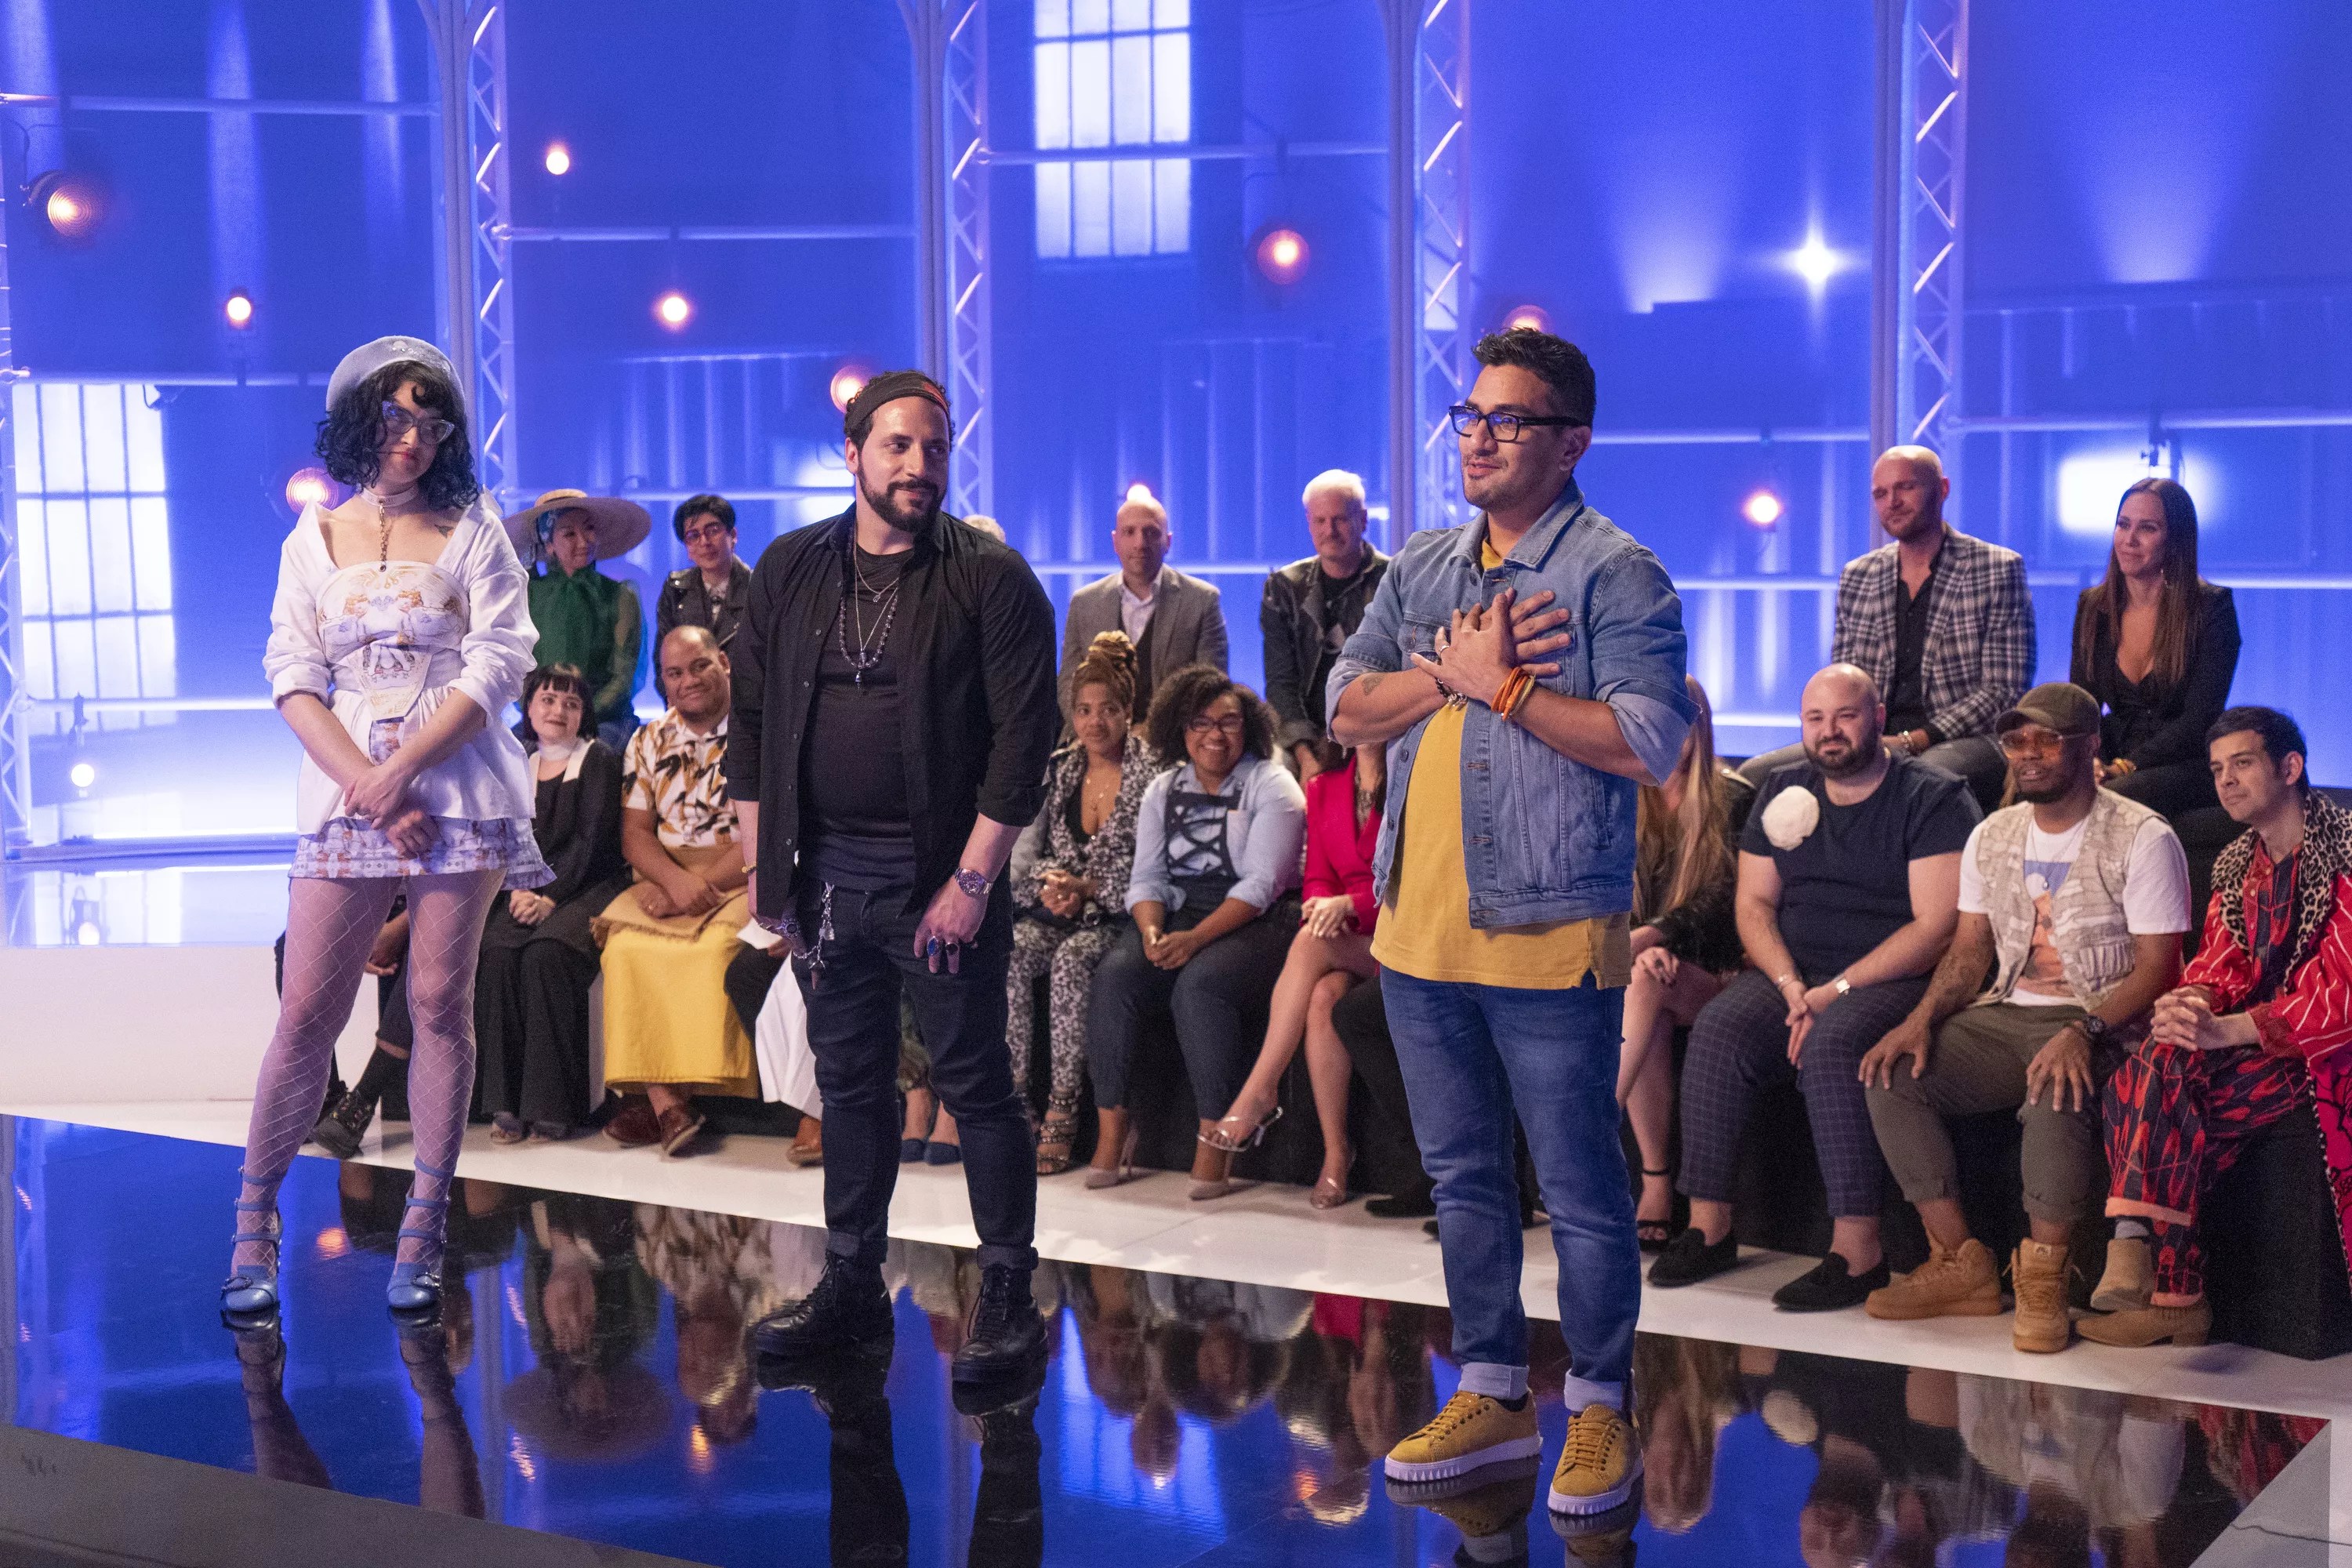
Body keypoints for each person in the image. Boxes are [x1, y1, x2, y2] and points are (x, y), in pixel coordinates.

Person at [1327, 326, 1695, 1521]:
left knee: (1582, 1189)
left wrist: (1509, 688)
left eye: (1509, 421)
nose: (1479, 439)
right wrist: (1450, 675)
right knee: (1463, 1180)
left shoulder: (1614, 573)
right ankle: (1490, 1388)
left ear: (1571, 442)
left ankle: (1599, 1404)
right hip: (1416, 932)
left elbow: (1650, 740)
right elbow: (1347, 708)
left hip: (1547, 930)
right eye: (1470, 417)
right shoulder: (1425, 567)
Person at [730, 369, 1060, 1384]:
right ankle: (850, 1284)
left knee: (977, 1083)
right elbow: (752, 725)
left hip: (941, 884)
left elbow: (1023, 745)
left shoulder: (990, 577)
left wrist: (973, 883)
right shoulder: (789, 568)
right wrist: (765, 875)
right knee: (850, 1085)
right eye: (899, 446)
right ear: (854, 454)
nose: (920, 465)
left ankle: (1006, 1290)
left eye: (936, 448)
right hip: (825, 880)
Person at [224, 335, 548, 1322]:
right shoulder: (313, 534)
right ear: (360, 420)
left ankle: (425, 1225)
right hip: (346, 790)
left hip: (460, 784)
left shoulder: (475, 528)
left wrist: (407, 770)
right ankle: (252, 1224)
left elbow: (501, 660)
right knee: (306, 1014)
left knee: (440, 1001)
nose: (411, 436)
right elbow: (292, 672)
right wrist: (369, 783)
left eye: (430, 420)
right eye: (396, 416)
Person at [1857, 682, 2189, 1352]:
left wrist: (2085, 1030)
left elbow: (2160, 967)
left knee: (2055, 1090)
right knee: (1891, 1073)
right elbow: (1970, 948)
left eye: (2047, 740)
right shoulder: (1994, 832)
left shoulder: (2142, 835)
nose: (2028, 753)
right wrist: (1922, 1017)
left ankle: (2044, 1283)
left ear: (2090, 746)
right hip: (2007, 1012)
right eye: (2016, 741)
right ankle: (1960, 1263)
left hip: (2104, 1017)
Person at [1651, 662, 1977, 1311]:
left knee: (1832, 1046)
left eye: (1845, 717)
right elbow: (1753, 905)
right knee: (1720, 1029)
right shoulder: (1782, 789)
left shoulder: (1933, 797)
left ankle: (1858, 1253)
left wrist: (1834, 993)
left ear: (1878, 719)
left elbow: (1936, 927)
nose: (1830, 732)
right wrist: (1790, 984)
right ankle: (1709, 1228)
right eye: (1815, 719)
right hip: (1795, 976)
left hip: (1892, 977)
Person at [2085, 706, 2352, 1348]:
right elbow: (2216, 965)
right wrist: (2190, 1004)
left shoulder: (2346, 853)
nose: (2225, 781)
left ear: (2291, 767)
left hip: (2324, 1051)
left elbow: (2342, 996)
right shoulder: (2237, 863)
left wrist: (2229, 1030)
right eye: (2215, 769)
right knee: (2158, 1059)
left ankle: (2159, 1274)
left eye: (2242, 763)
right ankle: (2159, 1276)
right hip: (2256, 1043)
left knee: (2156, 1094)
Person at [1086, 666, 1307, 1197]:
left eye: (1227, 722)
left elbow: (1261, 885)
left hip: (1258, 921)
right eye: (1200, 723)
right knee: (1116, 976)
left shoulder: (1272, 784)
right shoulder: (1163, 789)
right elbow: (1146, 878)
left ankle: (1217, 1136)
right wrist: (1151, 932)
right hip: (1180, 913)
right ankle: (1114, 1129)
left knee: (1200, 985)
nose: (1214, 734)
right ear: (1179, 729)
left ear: (1248, 726)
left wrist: (1194, 940)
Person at [1739, 447, 2032, 811]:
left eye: (1905, 487)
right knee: (1752, 778)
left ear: (1942, 489)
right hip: (1869, 736)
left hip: (1963, 738)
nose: (1892, 502)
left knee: (1917, 780)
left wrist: (1917, 739)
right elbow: (1844, 680)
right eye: (1881, 493)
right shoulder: (1859, 575)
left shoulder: (1996, 569)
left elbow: (2003, 692)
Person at [1200, 739, 1385, 1210]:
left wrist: (1351, 905)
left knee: (1308, 943)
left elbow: (1415, 882)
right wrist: (1322, 904)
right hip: (1347, 937)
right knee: (1323, 997)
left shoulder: (1413, 777)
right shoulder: (1324, 788)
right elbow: (1318, 875)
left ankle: (1261, 1090)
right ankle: (1336, 1154)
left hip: (1401, 934)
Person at [594, 626, 750, 1157]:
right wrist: (674, 881)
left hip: (739, 873)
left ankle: (681, 1102)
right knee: (625, 949)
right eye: (674, 673)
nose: (689, 681)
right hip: (666, 876)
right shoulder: (647, 739)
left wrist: (701, 886)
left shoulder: (758, 730)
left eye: (700, 665)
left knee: (716, 950)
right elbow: (635, 833)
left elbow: (763, 831)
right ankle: (668, 1105)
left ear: (723, 662)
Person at [1004, 631, 1153, 1176]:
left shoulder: (1153, 773)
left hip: (1120, 916)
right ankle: (1013, 1101)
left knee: (1070, 961)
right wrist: (1053, 885)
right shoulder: (1060, 767)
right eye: (1084, 710)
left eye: (1108, 709)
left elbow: (1153, 866)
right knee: (1014, 949)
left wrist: (1088, 889)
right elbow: (1029, 855)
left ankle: (1063, 1107)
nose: (1095, 722)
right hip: (1057, 908)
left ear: (1128, 711)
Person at [1618, 676, 1754, 1250]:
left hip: (1717, 971)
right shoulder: (1624, 796)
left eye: (1675, 724)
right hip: (1648, 973)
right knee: (1644, 986)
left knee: (1642, 973)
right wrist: (1645, 946)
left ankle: (1594, 1120)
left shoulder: (1734, 797)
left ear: (1698, 729)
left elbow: (1724, 904)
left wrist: (1655, 936)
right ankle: (1656, 1184)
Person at [474, 662, 630, 1143]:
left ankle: (552, 1105)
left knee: (547, 955)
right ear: (528, 706)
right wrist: (519, 890)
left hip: (587, 889)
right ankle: (504, 1103)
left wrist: (549, 897)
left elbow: (590, 843)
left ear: (584, 714)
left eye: (571, 702)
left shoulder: (599, 759)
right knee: (496, 953)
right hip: (525, 889)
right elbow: (504, 837)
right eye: (548, 699)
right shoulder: (517, 760)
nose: (558, 710)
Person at [2070, 478, 2241, 818]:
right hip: (2114, 754)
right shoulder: (2094, 607)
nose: (2129, 539)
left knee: (2110, 800)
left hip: (2184, 761)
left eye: (2147, 528)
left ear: (2175, 540)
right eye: (2123, 525)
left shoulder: (2211, 608)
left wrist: (2124, 767)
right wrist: (2090, 761)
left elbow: (2200, 718)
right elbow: (2081, 705)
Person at [1261, 470, 1390, 782]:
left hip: (1378, 729)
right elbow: (1280, 683)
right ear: (1309, 523)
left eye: (1340, 519)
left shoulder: (1393, 579)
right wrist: (1304, 754)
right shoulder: (1282, 588)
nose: (1329, 531)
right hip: (1303, 736)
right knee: (1276, 779)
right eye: (1320, 521)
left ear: (1363, 520)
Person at [1060, 491, 1227, 721]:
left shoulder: (1202, 600)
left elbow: (1210, 687)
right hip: (1096, 737)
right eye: (1129, 532)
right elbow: (1068, 686)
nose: (1140, 543)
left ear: (1168, 542)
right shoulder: (1084, 603)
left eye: (1151, 532)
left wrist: (1157, 734)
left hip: (1172, 739)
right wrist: (1093, 731)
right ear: (1115, 542)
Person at [514, 488, 651, 747]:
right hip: (541, 719)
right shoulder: (528, 595)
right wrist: (540, 713)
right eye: (569, 534)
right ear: (550, 544)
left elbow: (624, 677)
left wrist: (580, 715)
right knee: (511, 756)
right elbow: (516, 669)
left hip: (605, 719)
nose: (584, 541)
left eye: (589, 528)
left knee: (595, 756)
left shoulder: (620, 595)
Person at [654, 493, 752, 674]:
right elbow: (663, 663)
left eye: (713, 531)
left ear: (732, 535)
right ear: (687, 548)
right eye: (693, 536)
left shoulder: (758, 587)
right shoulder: (675, 589)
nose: (705, 542)